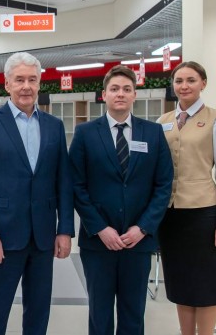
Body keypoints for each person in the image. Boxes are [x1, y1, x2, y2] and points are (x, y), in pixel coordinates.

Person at [0, 52, 75, 335]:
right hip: (2, 237)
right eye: (19, 80)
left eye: (32, 80)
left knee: (38, 313)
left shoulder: (54, 126)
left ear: (39, 83)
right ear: (7, 84)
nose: (26, 86)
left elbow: (63, 182)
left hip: (43, 238)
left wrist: (65, 230)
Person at [69, 65, 173, 335]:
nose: (120, 94)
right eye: (114, 89)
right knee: (99, 313)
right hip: (98, 242)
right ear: (104, 94)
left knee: (133, 313)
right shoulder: (85, 133)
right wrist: (100, 228)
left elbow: (163, 186)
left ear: (134, 95)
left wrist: (143, 227)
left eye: (127, 89)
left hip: (137, 241)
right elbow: (77, 186)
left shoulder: (153, 133)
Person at [157, 61, 216, 335]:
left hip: (203, 212)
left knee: (204, 283)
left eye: (191, 80)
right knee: (180, 282)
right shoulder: (163, 122)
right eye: (179, 81)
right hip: (170, 214)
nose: (184, 86)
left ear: (203, 83)